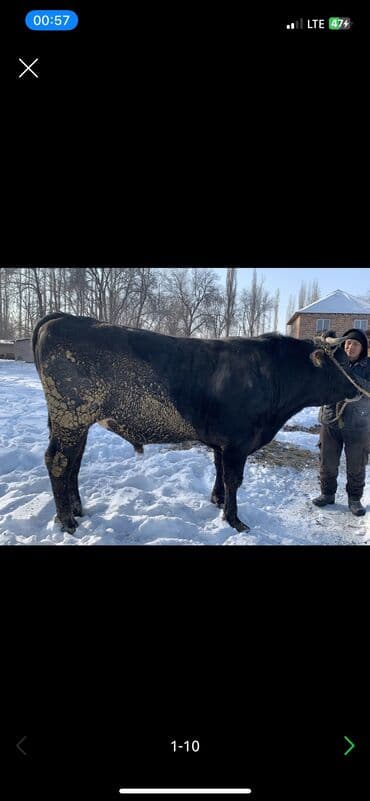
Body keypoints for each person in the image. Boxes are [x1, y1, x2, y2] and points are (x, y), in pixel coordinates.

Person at [312, 328, 370, 516]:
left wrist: (348, 374)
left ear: (363, 348)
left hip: (358, 424)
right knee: (327, 462)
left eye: (355, 344)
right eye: (347, 343)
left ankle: (354, 499)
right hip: (331, 420)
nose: (350, 346)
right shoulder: (333, 363)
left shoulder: (368, 366)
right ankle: (327, 494)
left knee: (356, 464)